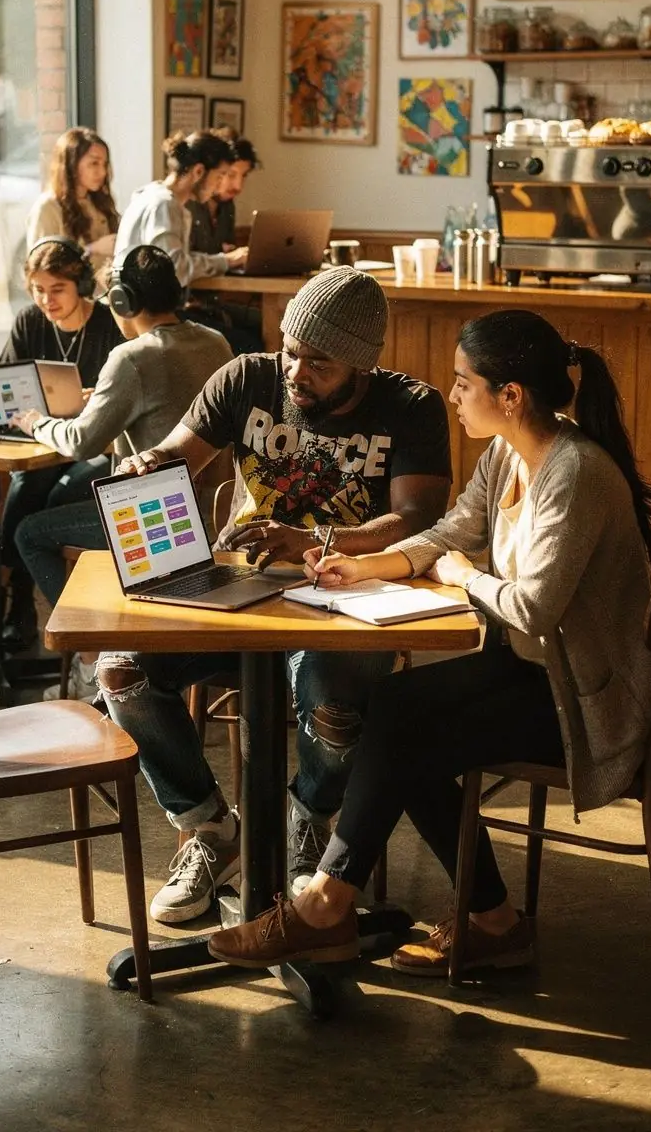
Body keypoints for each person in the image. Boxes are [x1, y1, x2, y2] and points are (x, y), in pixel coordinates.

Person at [205, 309, 651, 974]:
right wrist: (366, 564)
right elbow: (451, 531)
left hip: (594, 705)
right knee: (393, 714)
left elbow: (534, 607)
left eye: (462, 383)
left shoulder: (575, 473)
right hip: (536, 673)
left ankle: (326, 912)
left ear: (509, 396)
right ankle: (468, 922)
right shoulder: (509, 451)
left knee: (405, 735)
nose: (451, 395)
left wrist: (464, 576)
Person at [102, 267, 452, 926]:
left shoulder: (412, 407)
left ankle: (309, 818)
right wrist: (149, 464)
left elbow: (411, 519)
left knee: (332, 697)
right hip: (242, 586)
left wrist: (313, 539)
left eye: (318, 364)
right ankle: (210, 829)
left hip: (348, 599)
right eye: (291, 350)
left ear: (360, 366)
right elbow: (180, 451)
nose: (295, 371)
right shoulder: (246, 378)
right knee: (122, 666)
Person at [11, 244, 232, 673]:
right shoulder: (215, 341)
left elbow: (79, 442)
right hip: (214, 513)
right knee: (62, 501)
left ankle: (94, 652)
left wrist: (36, 421)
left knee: (29, 533)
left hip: (155, 524)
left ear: (121, 301)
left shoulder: (130, 357)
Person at [0, 236, 125, 649]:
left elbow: (122, 404)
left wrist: (96, 400)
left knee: (62, 492)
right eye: (37, 290)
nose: (46, 301)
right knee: (25, 485)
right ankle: (19, 598)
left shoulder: (109, 325)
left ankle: (77, 614)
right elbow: (5, 383)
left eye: (57, 290)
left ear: (80, 286)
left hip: (95, 446)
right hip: (41, 444)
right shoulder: (29, 322)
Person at [114, 130, 249, 287]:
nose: (219, 187)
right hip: (146, 309)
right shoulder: (163, 205)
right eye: (219, 176)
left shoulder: (152, 195)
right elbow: (174, 268)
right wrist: (227, 261)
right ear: (198, 171)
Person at [187, 134, 263, 355]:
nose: (237, 185)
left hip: (213, 303)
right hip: (188, 306)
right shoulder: (187, 206)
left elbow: (225, 252)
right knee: (250, 341)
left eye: (244, 176)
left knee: (275, 325)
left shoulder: (227, 208)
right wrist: (227, 259)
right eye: (229, 175)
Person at [25, 127, 120, 285]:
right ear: (71, 164)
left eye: (104, 164)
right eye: (94, 163)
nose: (102, 172)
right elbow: (40, 267)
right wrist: (92, 249)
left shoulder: (98, 201)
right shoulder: (47, 208)